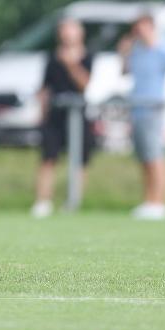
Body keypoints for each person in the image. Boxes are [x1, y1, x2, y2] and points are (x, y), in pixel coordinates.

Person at [118, 14, 165, 220]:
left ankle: (160, 203)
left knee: (157, 157)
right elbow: (124, 72)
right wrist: (123, 54)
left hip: (153, 110)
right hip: (136, 109)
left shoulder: (163, 49)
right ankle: (149, 201)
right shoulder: (136, 50)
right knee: (144, 158)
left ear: (150, 27)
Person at [30, 18, 95, 218]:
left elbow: (85, 84)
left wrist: (71, 64)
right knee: (48, 158)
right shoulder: (52, 57)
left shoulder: (88, 56)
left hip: (78, 114)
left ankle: (72, 202)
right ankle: (42, 202)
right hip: (55, 115)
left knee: (79, 161)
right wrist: (41, 112)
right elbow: (45, 88)